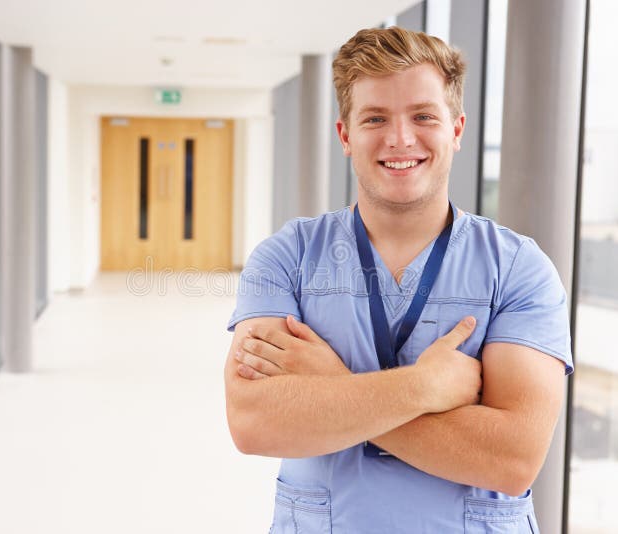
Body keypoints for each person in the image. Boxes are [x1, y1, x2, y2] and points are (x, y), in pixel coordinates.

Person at [224, 27, 573, 533]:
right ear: (345, 136)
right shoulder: (286, 257)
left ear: (456, 129)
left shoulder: (519, 268)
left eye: (423, 116)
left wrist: (332, 390)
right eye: (375, 118)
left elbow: (512, 458)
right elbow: (255, 421)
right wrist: (423, 386)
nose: (401, 138)